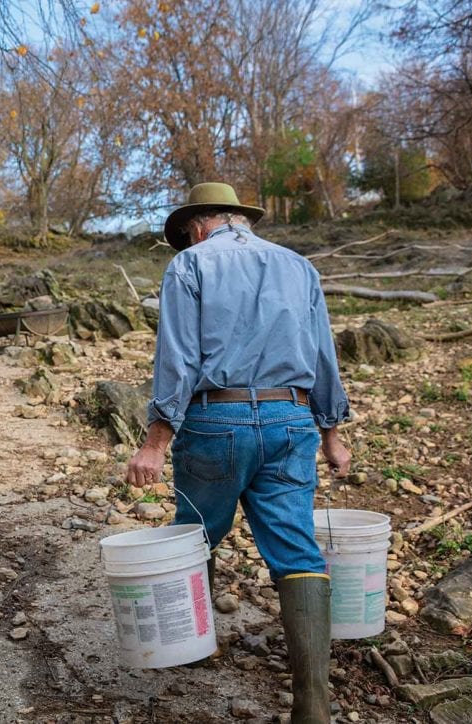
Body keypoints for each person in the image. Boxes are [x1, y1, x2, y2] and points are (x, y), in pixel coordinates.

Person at [126, 182, 351, 724]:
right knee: (296, 549)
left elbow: (177, 359)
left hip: (215, 420)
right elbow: (324, 353)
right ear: (239, 220)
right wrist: (332, 433)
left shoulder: (189, 268)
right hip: (292, 418)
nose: (185, 245)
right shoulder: (300, 267)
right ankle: (313, 704)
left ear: (198, 225)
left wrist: (155, 442)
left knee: (196, 533)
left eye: (185, 237)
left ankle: (192, 645)